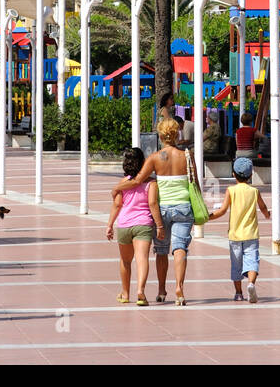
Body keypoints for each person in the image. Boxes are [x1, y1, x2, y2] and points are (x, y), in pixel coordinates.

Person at [114, 117, 194, 305]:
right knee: (180, 248)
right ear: (177, 134)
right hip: (184, 207)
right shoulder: (187, 156)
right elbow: (195, 183)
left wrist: (117, 188)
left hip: (162, 208)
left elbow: (137, 180)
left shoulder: (155, 158)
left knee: (161, 250)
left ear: (160, 135)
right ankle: (179, 288)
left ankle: (161, 290)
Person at [207, 156, 270, 302]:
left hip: (235, 236)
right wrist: (267, 214)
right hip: (251, 235)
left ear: (233, 174)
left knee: (236, 265)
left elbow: (222, 211)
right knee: (252, 261)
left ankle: (238, 293)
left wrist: (208, 217)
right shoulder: (254, 191)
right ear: (250, 175)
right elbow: (263, 207)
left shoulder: (231, 190)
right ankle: (251, 283)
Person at [107, 147, 164, 306]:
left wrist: (110, 225)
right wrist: (159, 225)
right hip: (143, 224)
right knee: (142, 259)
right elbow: (152, 204)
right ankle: (141, 290)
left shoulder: (122, 184)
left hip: (124, 224)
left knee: (125, 261)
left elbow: (117, 205)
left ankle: (125, 293)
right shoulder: (151, 183)